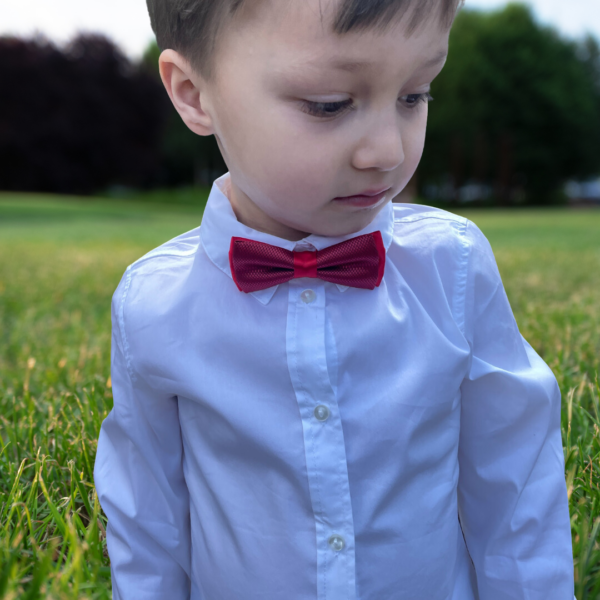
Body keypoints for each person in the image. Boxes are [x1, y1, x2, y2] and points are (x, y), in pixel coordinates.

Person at [93, 0, 575, 598]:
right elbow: (147, 517)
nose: (387, 152)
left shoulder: (453, 266)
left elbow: (515, 482)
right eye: (329, 104)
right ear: (194, 94)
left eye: (415, 95)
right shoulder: (153, 305)